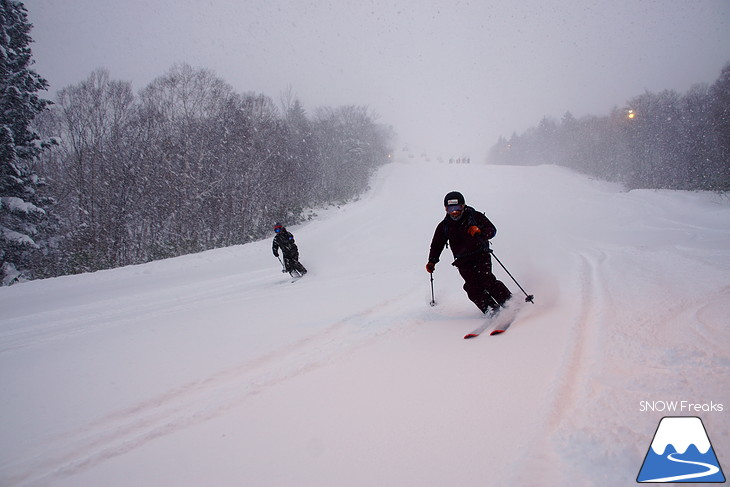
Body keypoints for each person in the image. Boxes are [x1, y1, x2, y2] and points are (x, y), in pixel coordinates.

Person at [426, 191, 511, 314]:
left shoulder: (475, 217)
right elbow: (436, 245)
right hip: (462, 261)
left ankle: (509, 303)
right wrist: (432, 261)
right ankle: (491, 309)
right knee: (472, 287)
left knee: (487, 280)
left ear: (463, 206)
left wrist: (480, 231)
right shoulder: (444, 226)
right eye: (450, 209)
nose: (454, 212)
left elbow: (492, 230)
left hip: (480, 254)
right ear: (446, 209)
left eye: (457, 208)